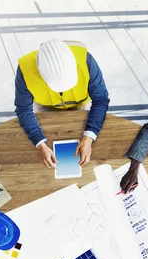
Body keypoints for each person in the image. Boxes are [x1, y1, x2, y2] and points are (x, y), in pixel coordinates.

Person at [15, 38, 110, 169]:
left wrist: (89, 137)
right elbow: (23, 110)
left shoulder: (86, 61)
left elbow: (101, 100)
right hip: (46, 107)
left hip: (81, 104)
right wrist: (40, 144)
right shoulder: (24, 70)